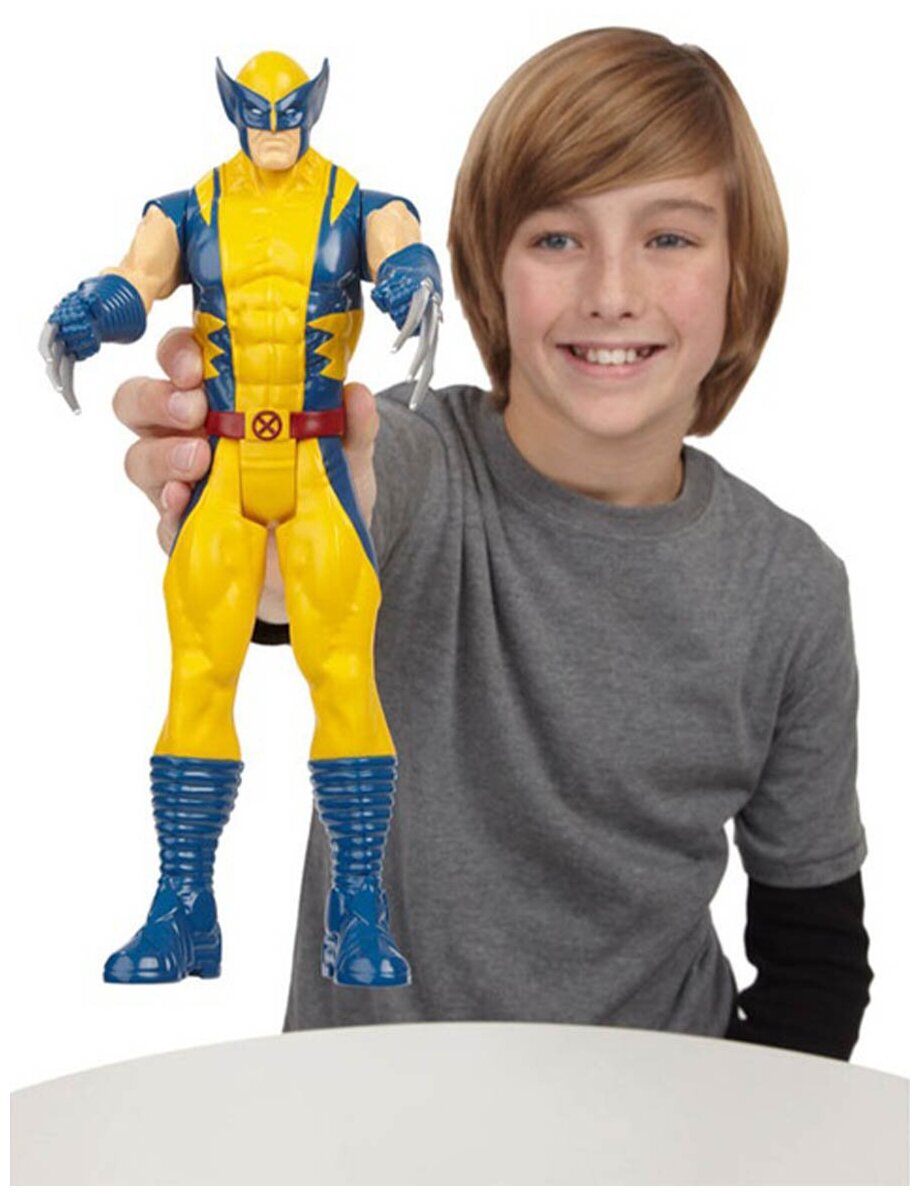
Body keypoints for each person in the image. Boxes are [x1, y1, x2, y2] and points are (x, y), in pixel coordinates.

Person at [112, 28, 872, 1058]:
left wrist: (738, 1137)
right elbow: (330, 534)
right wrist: (249, 499)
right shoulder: (421, 463)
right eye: (555, 239)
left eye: (669, 237)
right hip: (363, 1112)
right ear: (487, 276)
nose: (612, 290)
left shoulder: (789, 588)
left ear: (742, 275)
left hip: (666, 1109)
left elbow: (814, 961)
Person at [43, 50, 441, 989]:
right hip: (223, 458)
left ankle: (358, 910)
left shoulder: (359, 204)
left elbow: (403, 251)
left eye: (287, 111)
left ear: (312, 107)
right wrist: (86, 312)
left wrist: (412, 280)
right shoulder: (189, 208)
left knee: (345, 678)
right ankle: (184, 909)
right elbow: (135, 283)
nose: (272, 127)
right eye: (257, 112)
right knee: (198, 677)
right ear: (232, 109)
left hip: (318, 460)